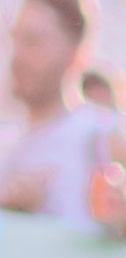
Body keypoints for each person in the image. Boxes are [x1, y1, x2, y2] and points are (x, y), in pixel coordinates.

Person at [0, 0, 114, 218]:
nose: (17, 55)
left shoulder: (103, 135)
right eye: (15, 39)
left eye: (32, 41)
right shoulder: (6, 143)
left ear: (76, 54)